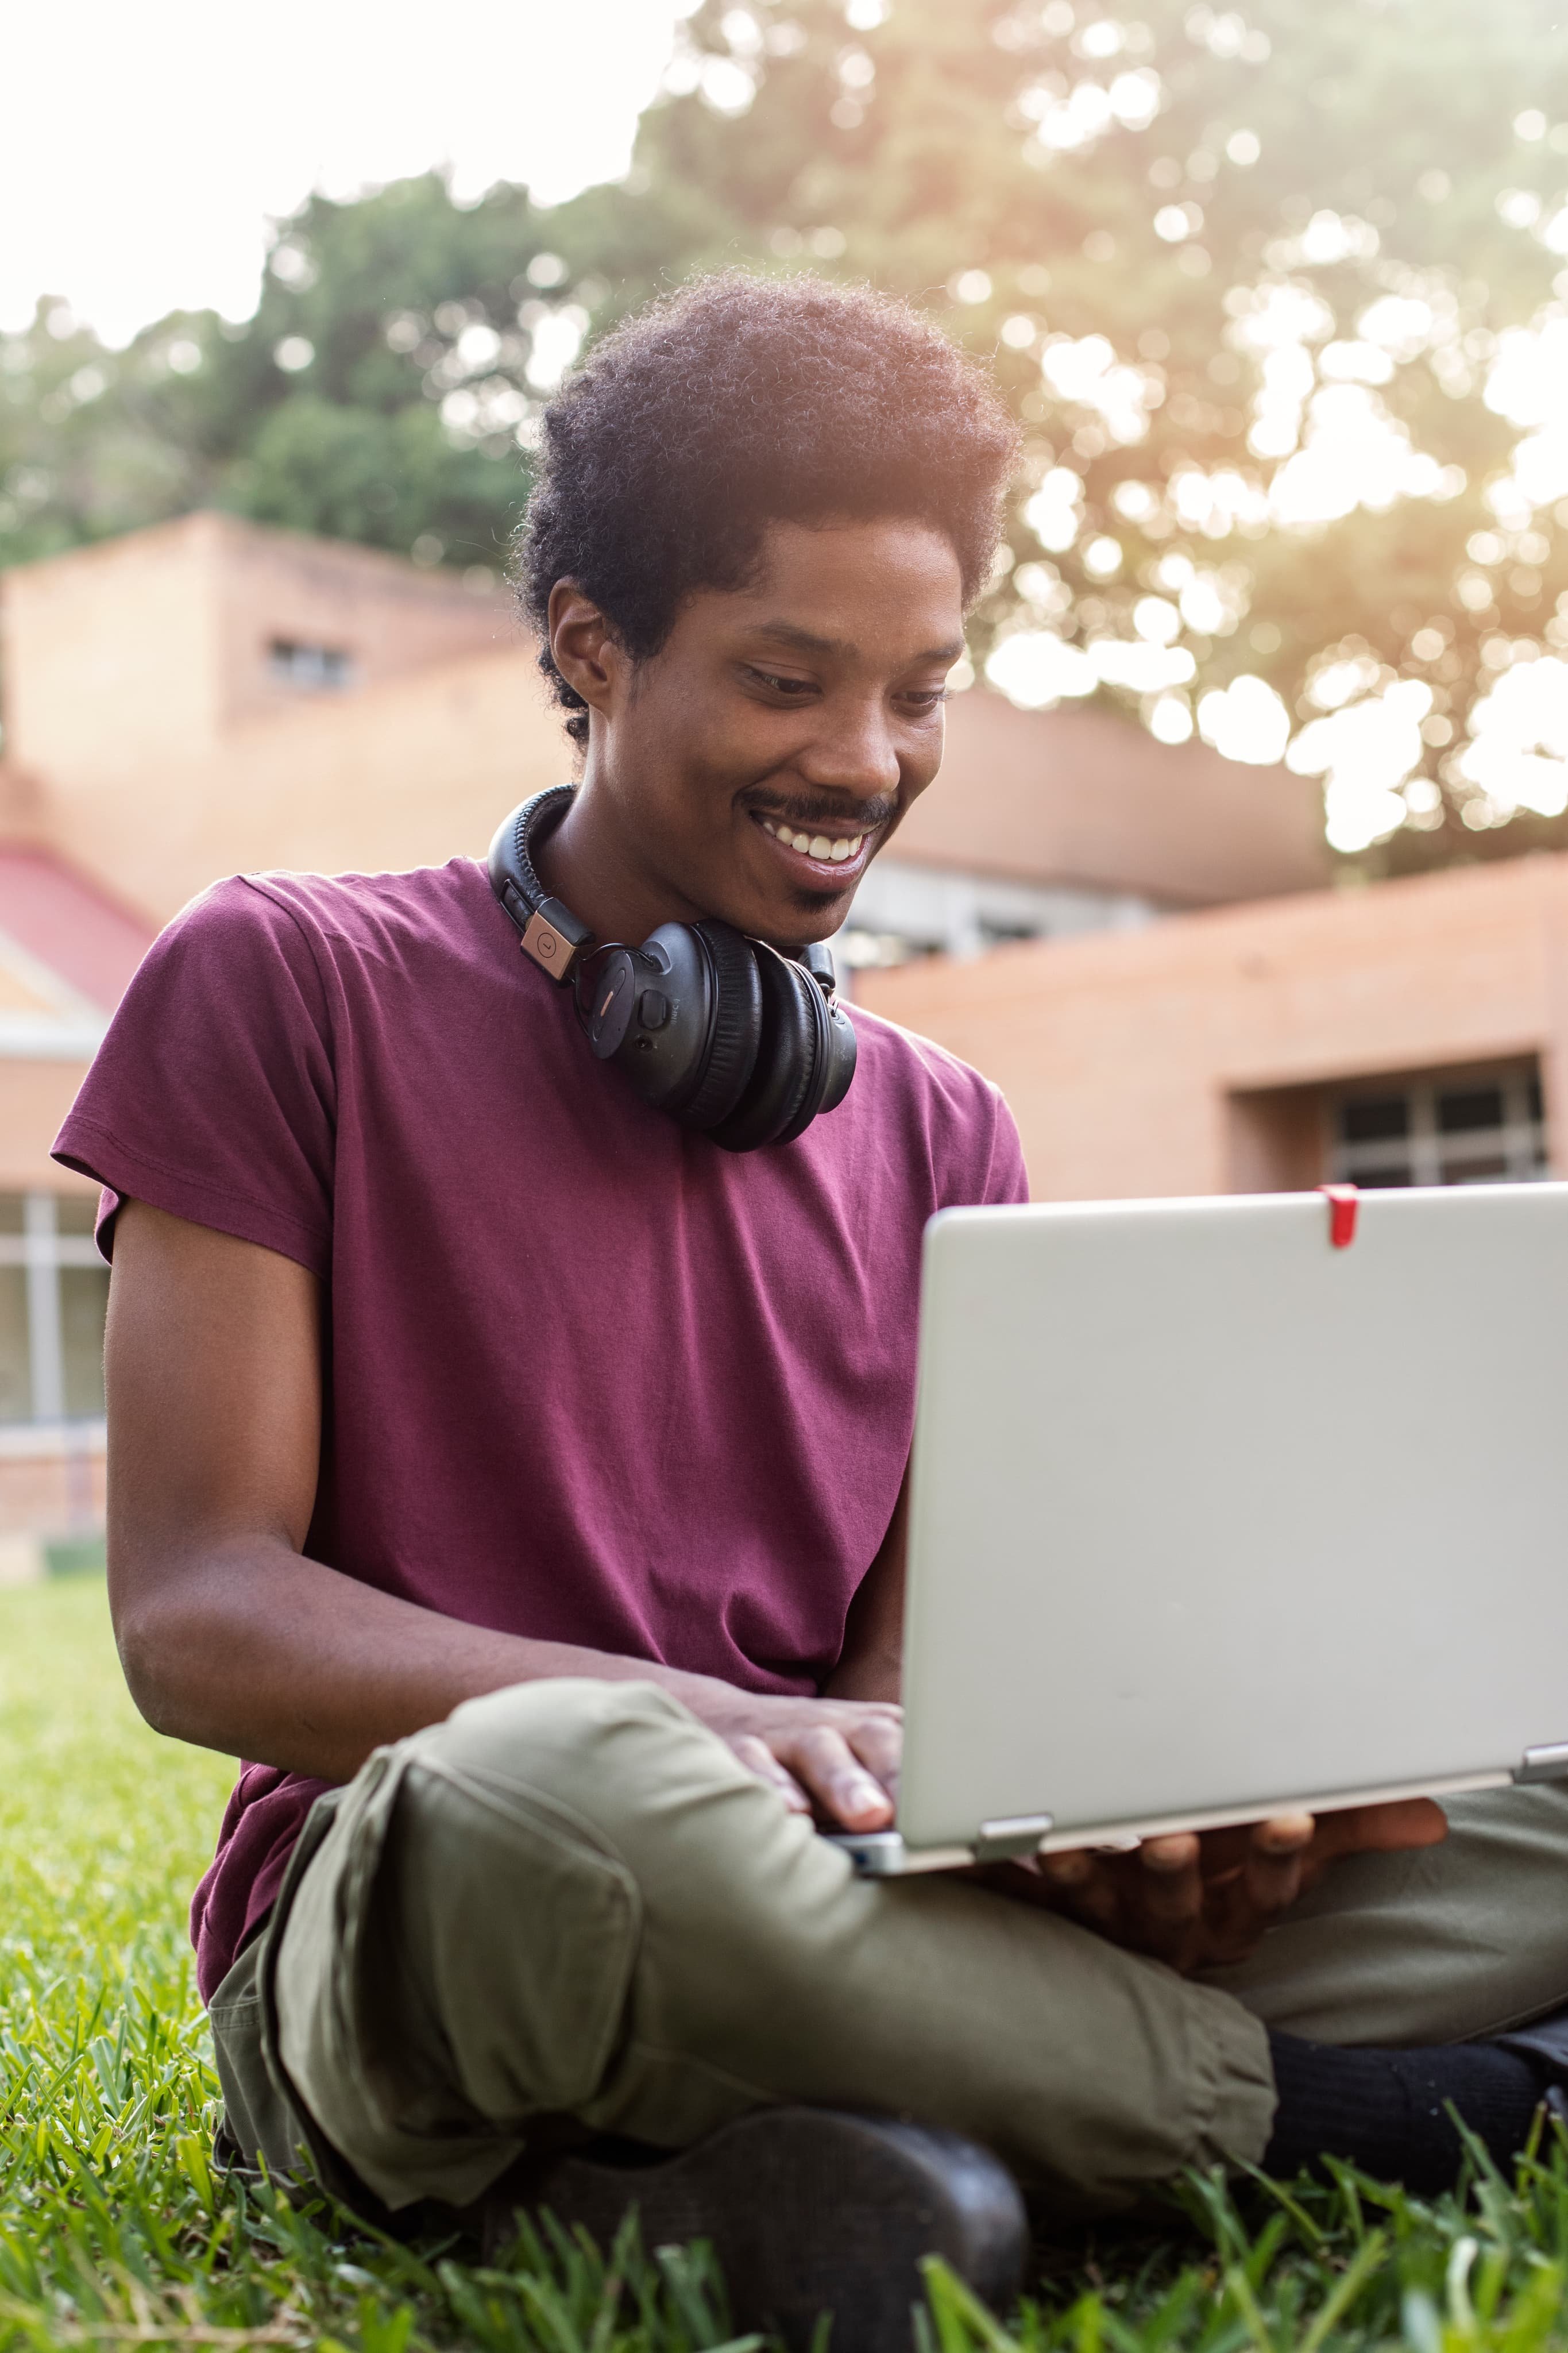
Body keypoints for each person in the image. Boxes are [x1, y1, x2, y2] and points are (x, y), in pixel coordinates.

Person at [56, 274, 1568, 2343]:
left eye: (919, 692)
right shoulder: (282, 986)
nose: (864, 761)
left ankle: (778, 2174)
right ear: (592, 648)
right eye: (787, 679)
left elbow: (910, 1703)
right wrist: (723, 1730)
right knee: (563, 1804)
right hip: (472, 1883)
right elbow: (199, 1617)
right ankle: (1392, 2117)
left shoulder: (947, 1125)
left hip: (853, 1899)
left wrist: (1113, 1843)